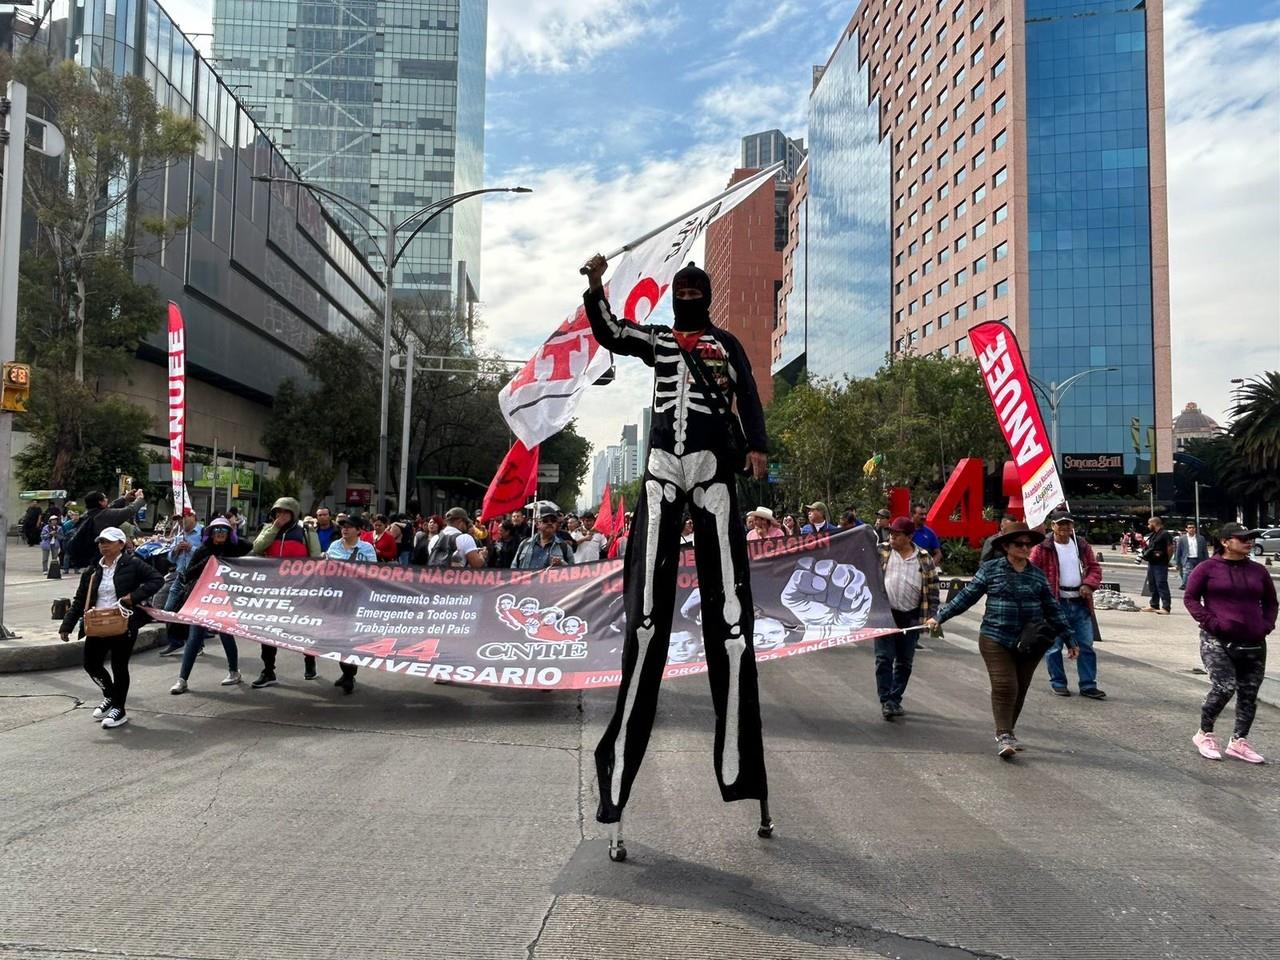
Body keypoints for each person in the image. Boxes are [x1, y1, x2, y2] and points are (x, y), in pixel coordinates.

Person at [583, 252, 771, 850]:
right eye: (682, 286)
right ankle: (621, 766)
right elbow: (611, 332)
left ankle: (740, 762)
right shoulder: (660, 341)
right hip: (663, 467)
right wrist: (595, 287)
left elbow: (748, 392)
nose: (688, 293)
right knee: (646, 612)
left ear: (706, 295)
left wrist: (758, 446)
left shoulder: (725, 343)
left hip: (714, 466)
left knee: (731, 611)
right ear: (674, 295)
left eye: (696, 287)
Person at [926, 522, 1075, 759]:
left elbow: (1052, 608)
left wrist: (1069, 638)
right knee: (1006, 685)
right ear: (1006, 546)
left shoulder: (1037, 575)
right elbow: (966, 596)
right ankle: (1003, 734)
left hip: (1030, 641)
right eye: (1019, 544)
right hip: (996, 637)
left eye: (1028, 544)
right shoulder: (991, 569)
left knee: (1020, 688)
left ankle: (1009, 732)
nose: (1025, 548)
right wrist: (940, 617)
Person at [1184, 523, 1277, 763]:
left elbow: (1271, 602)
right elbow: (1191, 598)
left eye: (1250, 538)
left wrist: (1266, 625)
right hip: (1217, 639)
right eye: (1242, 538)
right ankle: (1204, 733)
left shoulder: (1258, 571)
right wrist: (1212, 623)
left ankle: (1239, 741)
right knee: (1224, 687)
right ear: (1225, 541)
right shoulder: (1207, 568)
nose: (1248, 542)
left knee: (1249, 692)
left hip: (1254, 639)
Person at [59, 527, 164, 729]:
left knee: (119, 666)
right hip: (97, 623)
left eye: (108, 541)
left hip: (122, 623)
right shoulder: (93, 570)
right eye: (101, 541)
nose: (103, 545)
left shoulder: (133, 564)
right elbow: (81, 599)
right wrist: (67, 625)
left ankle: (119, 709)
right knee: (91, 664)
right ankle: (110, 695)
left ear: (121, 544)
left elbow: (156, 580)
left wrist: (133, 598)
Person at [1029, 510, 1106, 699]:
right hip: (1055, 604)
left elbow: (1094, 568)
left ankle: (1088, 685)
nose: (1065, 528)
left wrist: (1089, 584)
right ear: (1052, 526)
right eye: (1060, 524)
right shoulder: (1042, 547)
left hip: (1080, 603)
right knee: (1054, 647)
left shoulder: (1081, 545)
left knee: (1086, 645)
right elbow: (1032, 571)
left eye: (1068, 524)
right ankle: (1058, 683)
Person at [169, 518, 251, 694]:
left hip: (225, 600)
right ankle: (182, 679)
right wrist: (209, 561)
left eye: (224, 530)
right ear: (210, 533)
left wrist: (234, 535)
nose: (220, 533)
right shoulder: (203, 550)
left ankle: (234, 671)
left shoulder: (235, 548)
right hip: (203, 600)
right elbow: (189, 573)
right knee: (194, 637)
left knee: (226, 634)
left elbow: (250, 547)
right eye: (216, 530)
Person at [251, 497, 322, 687]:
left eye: (285, 512)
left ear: (293, 513)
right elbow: (257, 547)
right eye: (277, 512)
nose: (280, 516)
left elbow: (316, 559)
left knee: (304, 629)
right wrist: (274, 528)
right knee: (267, 631)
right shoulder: (268, 529)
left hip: (300, 589)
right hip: (272, 591)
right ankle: (268, 670)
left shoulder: (306, 531)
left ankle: (310, 661)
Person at [877, 518, 940, 720]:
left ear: (909, 537)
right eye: (891, 533)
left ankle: (895, 698)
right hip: (885, 615)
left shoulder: (924, 558)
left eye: (897, 535)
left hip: (912, 615)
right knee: (884, 658)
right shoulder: (881, 551)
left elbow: (932, 590)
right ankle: (886, 700)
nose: (892, 537)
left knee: (905, 661)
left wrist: (933, 615)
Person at [324, 516, 375, 693]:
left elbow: (373, 572)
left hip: (357, 599)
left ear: (358, 530)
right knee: (339, 637)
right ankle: (347, 672)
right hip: (338, 598)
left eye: (349, 527)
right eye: (343, 526)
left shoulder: (367, 548)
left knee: (350, 637)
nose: (345, 529)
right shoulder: (334, 546)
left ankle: (349, 673)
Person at [63, 489, 147, 570]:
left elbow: (110, 507)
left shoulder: (89, 514)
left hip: (91, 557)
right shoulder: (103, 516)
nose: (107, 500)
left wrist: (124, 498)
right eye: (105, 498)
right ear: (100, 502)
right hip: (101, 558)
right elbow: (129, 510)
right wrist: (140, 499)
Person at [413, 507, 488, 568]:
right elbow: (476, 565)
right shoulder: (465, 538)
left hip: (436, 583)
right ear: (460, 521)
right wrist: (482, 555)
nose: (466, 526)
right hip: (456, 584)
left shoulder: (434, 539)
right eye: (466, 523)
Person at [1142, 515, 1174, 614]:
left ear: (1154, 523)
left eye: (1149, 524)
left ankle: (1166, 607)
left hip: (1161, 563)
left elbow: (1170, 548)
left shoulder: (1165, 534)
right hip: (1152, 563)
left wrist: (1167, 560)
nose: (1148, 526)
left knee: (1161, 584)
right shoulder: (1153, 534)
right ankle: (1154, 604)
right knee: (1153, 584)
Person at [1174, 522, 1208, 590]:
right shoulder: (1182, 539)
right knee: (1187, 572)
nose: (1191, 529)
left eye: (1193, 527)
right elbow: (1178, 551)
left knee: (1198, 574)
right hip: (1188, 559)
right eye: (1189, 528)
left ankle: (1197, 586)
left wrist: (1207, 560)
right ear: (1186, 529)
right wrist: (1177, 562)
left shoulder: (1201, 538)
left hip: (1199, 559)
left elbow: (1204, 550)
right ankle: (1185, 585)